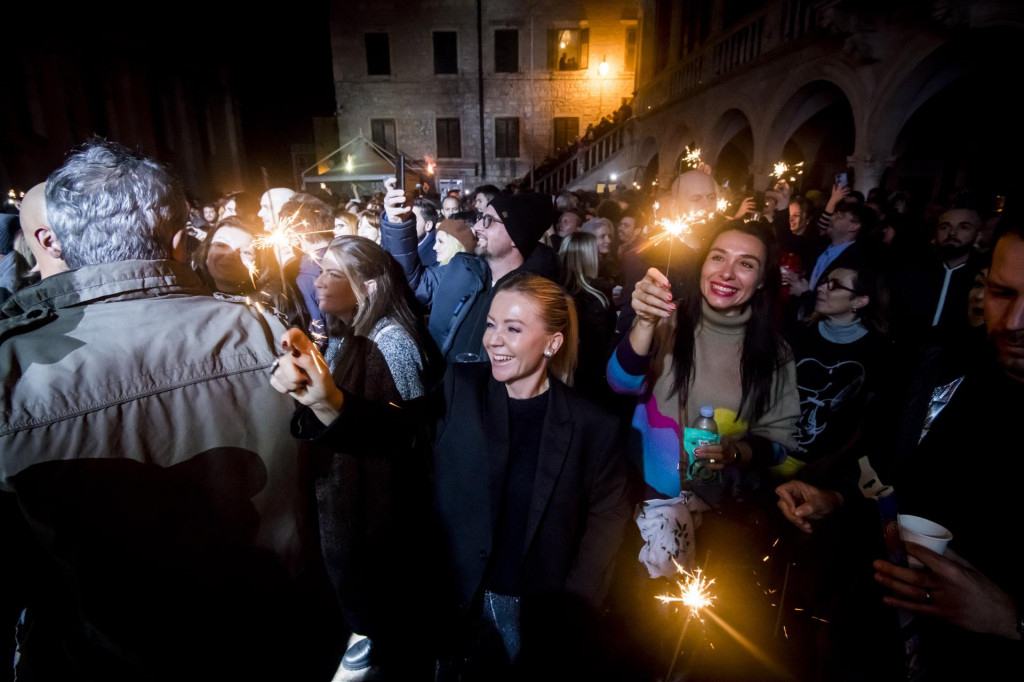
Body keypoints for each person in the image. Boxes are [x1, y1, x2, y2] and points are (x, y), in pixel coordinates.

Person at [0, 140, 341, 681]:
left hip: (104, 660)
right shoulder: (261, 329)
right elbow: (324, 478)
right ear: (181, 241)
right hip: (267, 643)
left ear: (56, 242)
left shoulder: (11, 367)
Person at [269, 271, 630, 679]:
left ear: (553, 342)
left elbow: (605, 526)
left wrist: (573, 613)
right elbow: (400, 432)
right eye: (491, 324)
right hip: (451, 603)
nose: (493, 338)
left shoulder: (593, 427)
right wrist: (330, 401)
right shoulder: (463, 387)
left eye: (513, 328)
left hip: (535, 612)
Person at [775, 216, 1024, 678]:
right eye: (1002, 293)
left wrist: (1012, 620)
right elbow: (885, 459)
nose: (1013, 323)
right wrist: (836, 496)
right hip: (880, 632)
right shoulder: (940, 363)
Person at [298, 234, 437, 674]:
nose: (318, 282)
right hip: (349, 516)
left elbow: (408, 442)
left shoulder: (391, 342)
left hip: (376, 530)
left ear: (370, 286)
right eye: (320, 270)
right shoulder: (346, 334)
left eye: (333, 273)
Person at [380, 178, 554, 361]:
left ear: (516, 237)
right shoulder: (461, 270)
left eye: (488, 221)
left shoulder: (535, 298)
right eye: (480, 218)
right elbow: (414, 284)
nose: (477, 227)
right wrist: (398, 224)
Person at [559, 231, 616, 405]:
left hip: (563, 380)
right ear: (589, 258)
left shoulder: (556, 292)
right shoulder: (596, 300)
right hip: (588, 385)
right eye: (597, 254)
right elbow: (599, 350)